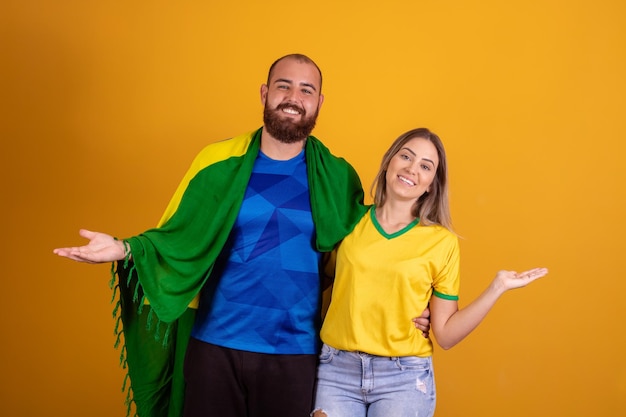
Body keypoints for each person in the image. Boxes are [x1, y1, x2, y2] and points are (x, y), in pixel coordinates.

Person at [53, 54, 431, 417]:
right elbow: (178, 239)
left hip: (296, 354)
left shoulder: (336, 176)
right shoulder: (217, 163)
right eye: (284, 87)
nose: (294, 99)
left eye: (306, 90)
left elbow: (366, 249)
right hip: (215, 348)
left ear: (319, 102)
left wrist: (414, 303)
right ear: (265, 93)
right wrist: (124, 248)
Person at [311, 128, 548, 417]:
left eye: (425, 166)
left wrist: (496, 287)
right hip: (337, 371)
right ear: (389, 162)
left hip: (403, 377)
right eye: (406, 157)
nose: (412, 169)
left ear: (431, 185)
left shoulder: (441, 242)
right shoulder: (350, 221)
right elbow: (322, 283)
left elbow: (446, 334)